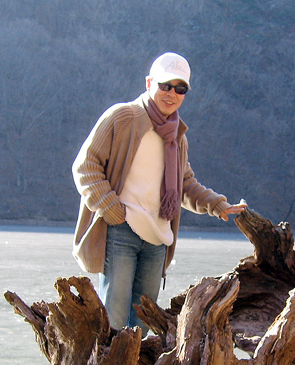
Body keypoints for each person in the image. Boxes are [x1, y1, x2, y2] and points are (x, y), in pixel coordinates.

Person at [71, 52, 246, 331]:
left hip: (158, 239)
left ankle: (136, 361)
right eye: (166, 85)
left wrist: (217, 204)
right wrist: (112, 209)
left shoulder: (177, 136)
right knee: (113, 319)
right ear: (149, 83)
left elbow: (185, 184)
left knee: (144, 322)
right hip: (121, 230)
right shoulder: (123, 117)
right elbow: (85, 166)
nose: (172, 93)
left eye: (180, 88)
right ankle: (105, 361)